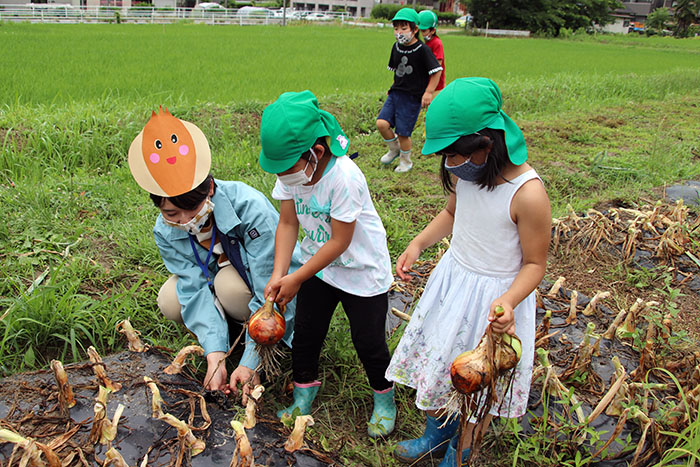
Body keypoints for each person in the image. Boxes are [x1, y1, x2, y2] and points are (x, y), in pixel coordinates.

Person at [385, 78, 551, 466]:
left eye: (455, 156)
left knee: (478, 388)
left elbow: (534, 264)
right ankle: (434, 434)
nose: (450, 165)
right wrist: (419, 243)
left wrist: (508, 302)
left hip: (494, 304)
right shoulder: (467, 173)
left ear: (487, 144)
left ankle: (461, 453)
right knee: (440, 366)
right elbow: (451, 213)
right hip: (454, 284)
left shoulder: (527, 194)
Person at [127, 107, 300, 404]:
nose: (183, 221)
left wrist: (251, 361)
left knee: (228, 289)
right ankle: (224, 338)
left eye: (191, 210)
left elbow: (271, 285)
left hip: (266, 291)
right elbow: (192, 287)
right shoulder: (165, 230)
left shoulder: (249, 207)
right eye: (171, 213)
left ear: (208, 189)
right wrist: (214, 356)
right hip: (219, 285)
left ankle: (262, 342)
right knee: (170, 299)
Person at [258, 90, 396, 437]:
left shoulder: (344, 178)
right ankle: (304, 391)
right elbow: (288, 223)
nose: (282, 177)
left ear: (315, 152)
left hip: (361, 270)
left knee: (369, 342)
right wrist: (280, 276)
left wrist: (297, 278)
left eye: (286, 170)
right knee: (306, 332)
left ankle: (384, 397)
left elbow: (340, 241)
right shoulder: (293, 171)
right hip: (318, 267)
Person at [378, 7, 443, 173]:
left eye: (404, 28)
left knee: (403, 132)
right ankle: (394, 149)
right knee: (381, 124)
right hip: (395, 93)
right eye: (396, 28)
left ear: (415, 29)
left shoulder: (423, 50)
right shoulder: (396, 47)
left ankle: (406, 161)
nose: (399, 32)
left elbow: (436, 71)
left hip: (412, 97)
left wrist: (428, 92)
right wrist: (392, 87)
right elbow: (398, 72)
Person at [418, 10, 446, 94]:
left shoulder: (437, 43)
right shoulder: (426, 43)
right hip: (425, 84)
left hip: (436, 86)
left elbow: (437, 65)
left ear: (433, 30)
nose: (422, 34)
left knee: (432, 106)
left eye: (424, 31)